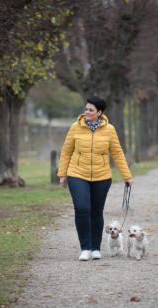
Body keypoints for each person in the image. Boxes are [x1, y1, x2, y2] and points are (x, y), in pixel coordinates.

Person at [58, 96, 132, 261]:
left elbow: (117, 153)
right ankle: (85, 248)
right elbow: (66, 152)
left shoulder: (109, 130)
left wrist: (127, 176)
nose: (86, 112)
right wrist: (62, 174)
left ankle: (95, 248)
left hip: (102, 176)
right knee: (82, 208)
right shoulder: (75, 128)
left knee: (96, 212)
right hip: (77, 174)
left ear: (99, 112)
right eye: (86, 109)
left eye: (91, 110)